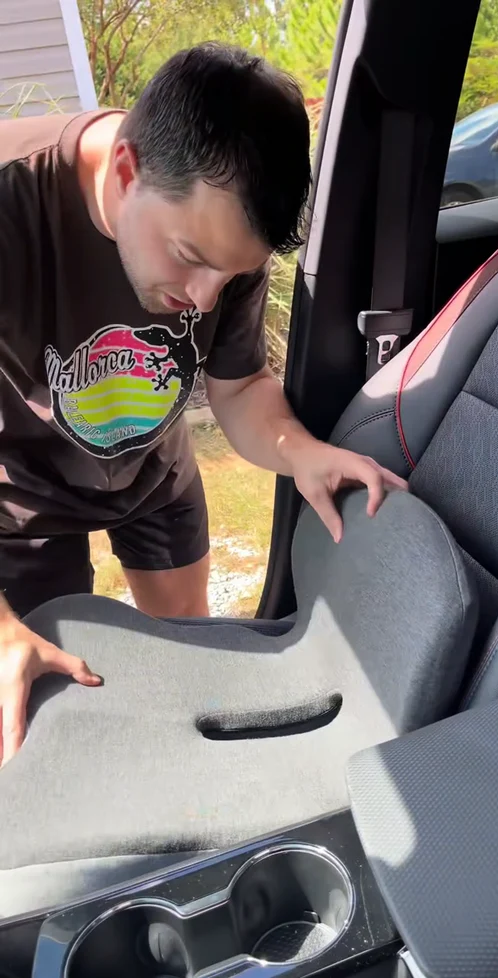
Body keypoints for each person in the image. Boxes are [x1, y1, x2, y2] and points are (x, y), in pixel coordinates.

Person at [0, 42, 407, 765]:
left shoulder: (222, 235)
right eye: (189, 258)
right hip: (20, 496)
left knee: (189, 665)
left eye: (232, 275)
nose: (203, 300)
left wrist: (302, 454)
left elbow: (240, 387)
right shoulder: (12, 200)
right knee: (41, 711)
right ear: (125, 171)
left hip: (153, 473)